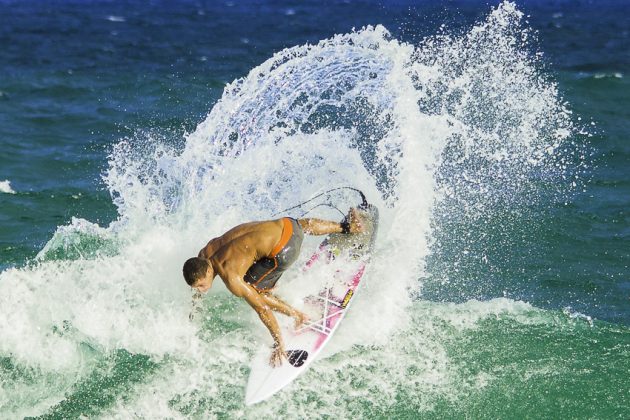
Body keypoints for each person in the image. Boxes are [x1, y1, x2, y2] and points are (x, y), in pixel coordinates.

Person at [183, 208, 364, 367]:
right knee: (301, 226)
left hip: (286, 250)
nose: (200, 289)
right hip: (289, 226)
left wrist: (279, 343)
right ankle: (348, 227)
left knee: (257, 290)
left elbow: (262, 308)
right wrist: (193, 310)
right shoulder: (205, 252)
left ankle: (299, 315)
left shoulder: (231, 277)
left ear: (207, 272)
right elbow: (199, 279)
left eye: (200, 285)